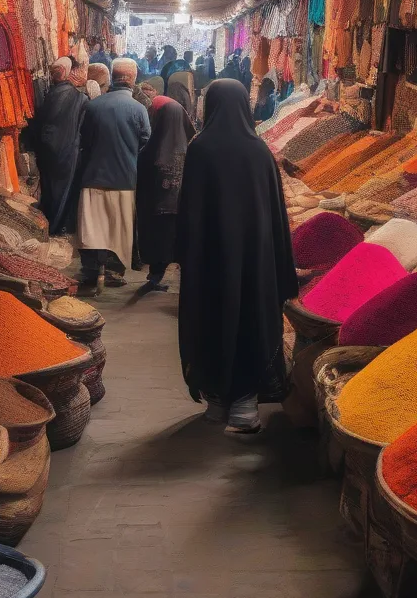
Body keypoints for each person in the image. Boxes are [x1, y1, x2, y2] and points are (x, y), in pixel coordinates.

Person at [176, 79, 298, 435]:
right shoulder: (259, 152)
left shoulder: (200, 149)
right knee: (251, 318)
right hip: (253, 263)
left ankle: (217, 401)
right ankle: (245, 405)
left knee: (210, 318)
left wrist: (185, 252)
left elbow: (188, 210)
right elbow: (276, 215)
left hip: (209, 262)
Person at [76, 57, 151, 293]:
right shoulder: (139, 109)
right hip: (124, 178)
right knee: (118, 227)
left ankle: (90, 269)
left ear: (113, 76)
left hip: (93, 175)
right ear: (132, 79)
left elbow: (84, 140)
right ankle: (113, 271)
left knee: (92, 226)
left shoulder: (93, 106)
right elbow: (145, 142)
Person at [137, 96, 194, 293]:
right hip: (181, 206)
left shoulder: (152, 148)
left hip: (157, 208)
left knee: (159, 240)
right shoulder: (192, 148)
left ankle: (155, 275)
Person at [32, 57, 88, 236]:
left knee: (49, 190)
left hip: (46, 152)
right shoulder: (78, 97)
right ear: (68, 72)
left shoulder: (49, 94)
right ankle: (56, 227)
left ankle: (49, 224)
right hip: (67, 152)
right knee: (62, 191)